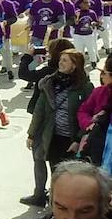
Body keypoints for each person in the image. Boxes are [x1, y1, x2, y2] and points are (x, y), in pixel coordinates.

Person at [19, 39, 76, 206]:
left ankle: (40, 194)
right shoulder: (77, 76)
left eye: (51, 50)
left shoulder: (48, 73)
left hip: (46, 121)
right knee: (54, 162)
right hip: (61, 125)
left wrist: (27, 56)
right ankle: (54, 196)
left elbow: (23, 74)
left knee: (41, 158)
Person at [27, 50, 93, 178]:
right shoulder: (50, 83)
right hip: (53, 137)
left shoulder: (85, 87)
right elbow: (39, 111)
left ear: (75, 65)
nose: (60, 63)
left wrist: (78, 139)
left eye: (65, 60)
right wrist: (31, 134)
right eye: (60, 59)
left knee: (71, 177)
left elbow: (89, 116)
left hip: (72, 140)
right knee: (56, 175)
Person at [71, 0, 100, 67]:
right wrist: (76, 19)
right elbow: (74, 24)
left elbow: (96, 22)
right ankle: (80, 64)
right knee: (79, 50)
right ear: (80, 4)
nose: (87, 4)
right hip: (78, 35)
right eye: (85, 3)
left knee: (91, 48)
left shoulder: (92, 13)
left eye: (88, 3)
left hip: (89, 34)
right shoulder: (77, 13)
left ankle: (93, 61)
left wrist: (94, 23)